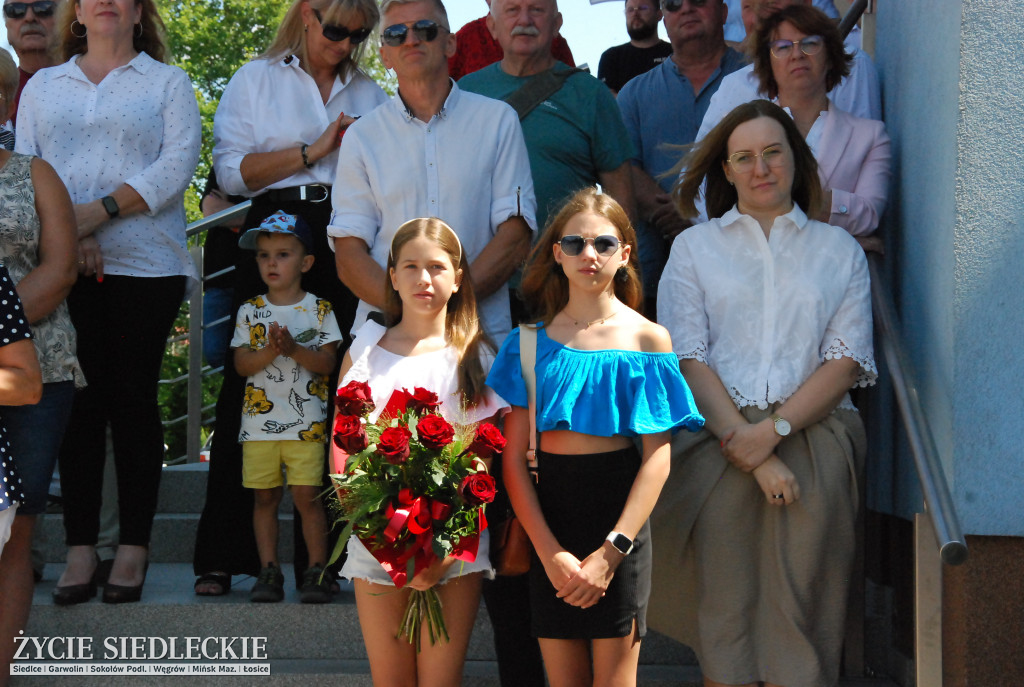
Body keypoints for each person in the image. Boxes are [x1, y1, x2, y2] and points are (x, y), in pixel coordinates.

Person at [652, 99, 875, 687]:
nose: (761, 168)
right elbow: (688, 357)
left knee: (805, 610)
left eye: (773, 152)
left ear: (795, 160)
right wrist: (744, 444)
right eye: (744, 157)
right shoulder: (695, 250)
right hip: (718, 443)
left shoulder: (839, 251)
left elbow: (845, 360)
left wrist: (771, 434)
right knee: (725, 609)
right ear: (725, 170)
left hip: (815, 436)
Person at [195, 0, 387, 597]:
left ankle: (328, 558)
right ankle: (224, 554)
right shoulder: (256, 78)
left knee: (341, 386)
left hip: (350, 234)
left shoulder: (374, 93)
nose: (346, 44)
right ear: (306, 15)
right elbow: (230, 173)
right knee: (247, 386)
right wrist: (315, 149)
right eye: (335, 29)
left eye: (359, 34)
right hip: (275, 230)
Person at [15, 0, 201, 604]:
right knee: (79, 404)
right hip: (63, 265)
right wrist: (73, 234)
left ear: (139, 10)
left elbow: (176, 165)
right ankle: (79, 547)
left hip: (147, 262)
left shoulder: (167, 82)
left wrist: (100, 212)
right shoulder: (44, 85)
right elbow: (27, 166)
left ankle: (133, 549)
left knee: (133, 402)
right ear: (77, 11)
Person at [486, 187, 703, 687]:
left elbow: (657, 459)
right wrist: (549, 553)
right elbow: (514, 460)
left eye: (604, 244)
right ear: (556, 254)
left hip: (618, 528)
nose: (590, 255)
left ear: (625, 254)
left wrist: (611, 553)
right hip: (549, 527)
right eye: (576, 243)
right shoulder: (528, 342)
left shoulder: (649, 339)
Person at [337, 217, 508, 685]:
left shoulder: (475, 357)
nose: (423, 279)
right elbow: (343, 451)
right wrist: (382, 538)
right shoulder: (365, 352)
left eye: (436, 267)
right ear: (391, 276)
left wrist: (441, 553)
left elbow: (480, 464)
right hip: (377, 539)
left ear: (457, 279)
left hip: (453, 546)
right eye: (409, 267)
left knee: (441, 679)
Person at [329, 0, 536, 346]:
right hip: (386, 342)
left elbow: (515, 235)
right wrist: (412, 313)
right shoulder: (362, 138)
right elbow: (349, 254)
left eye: (425, 29)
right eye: (395, 34)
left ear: (450, 43)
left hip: (477, 340)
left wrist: (449, 305)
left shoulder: (498, 121)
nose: (410, 40)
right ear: (384, 55)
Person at [0, 50, 79, 674]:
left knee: (14, 537)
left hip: (37, 373)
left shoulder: (36, 175)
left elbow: (60, 266)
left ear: (6, 102)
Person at [230, 212, 342, 603]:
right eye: (263, 256)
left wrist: (293, 349)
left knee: (308, 497)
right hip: (259, 425)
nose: (271, 263)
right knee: (264, 498)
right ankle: (269, 569)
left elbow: (328, 365)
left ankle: (316, 570)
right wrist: (270, 350)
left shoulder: (320, 309)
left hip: (306, 424)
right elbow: (242, 365)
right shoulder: (250, 310)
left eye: (282, 254)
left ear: (306, 262)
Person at [616, 0, 745, 317]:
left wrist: (695, 215)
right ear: (663, 17)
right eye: (673, 3)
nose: (686, 9)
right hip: (658, 273)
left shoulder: (758, 76)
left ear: (724, 12)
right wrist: (683, 215)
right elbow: (624, 169)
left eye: (699, 1)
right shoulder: (633, 93)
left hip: (747, 263)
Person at [751, 4, 890, 238]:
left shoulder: (870, 136)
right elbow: (732, 211)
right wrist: (829, 218)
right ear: (769, 64)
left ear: (830, 57)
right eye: (783, 47)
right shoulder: (746, 132)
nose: (797, 54)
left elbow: (869, 215)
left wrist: (778, 200)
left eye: (810, 44)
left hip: (834, 273)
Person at [696, 0, 881, 144]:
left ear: (807, 3)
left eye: (772, 5)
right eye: (749, 8)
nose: (761, 18)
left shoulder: (851, 66)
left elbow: (857, 165)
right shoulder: (733, 85)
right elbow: (696, 182)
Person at [448, 0, 574, 81]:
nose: (524, 20)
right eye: (513, 9)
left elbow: (574, 90)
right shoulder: (467, 38)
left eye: (536, 9)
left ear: (556, 24)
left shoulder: (553, 42)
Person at [597, 0, 672, 96]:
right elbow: (608, 100)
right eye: (630, 10)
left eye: (643, 8)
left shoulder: (674, 53)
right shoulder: (611, 57)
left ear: (659, 14)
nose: (635, 14)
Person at [2, 0, 59, 126]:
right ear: (6, 24)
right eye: (16, 10)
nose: (29, 17)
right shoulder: (3, 93)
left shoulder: (96, 84)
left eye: (44, 8)